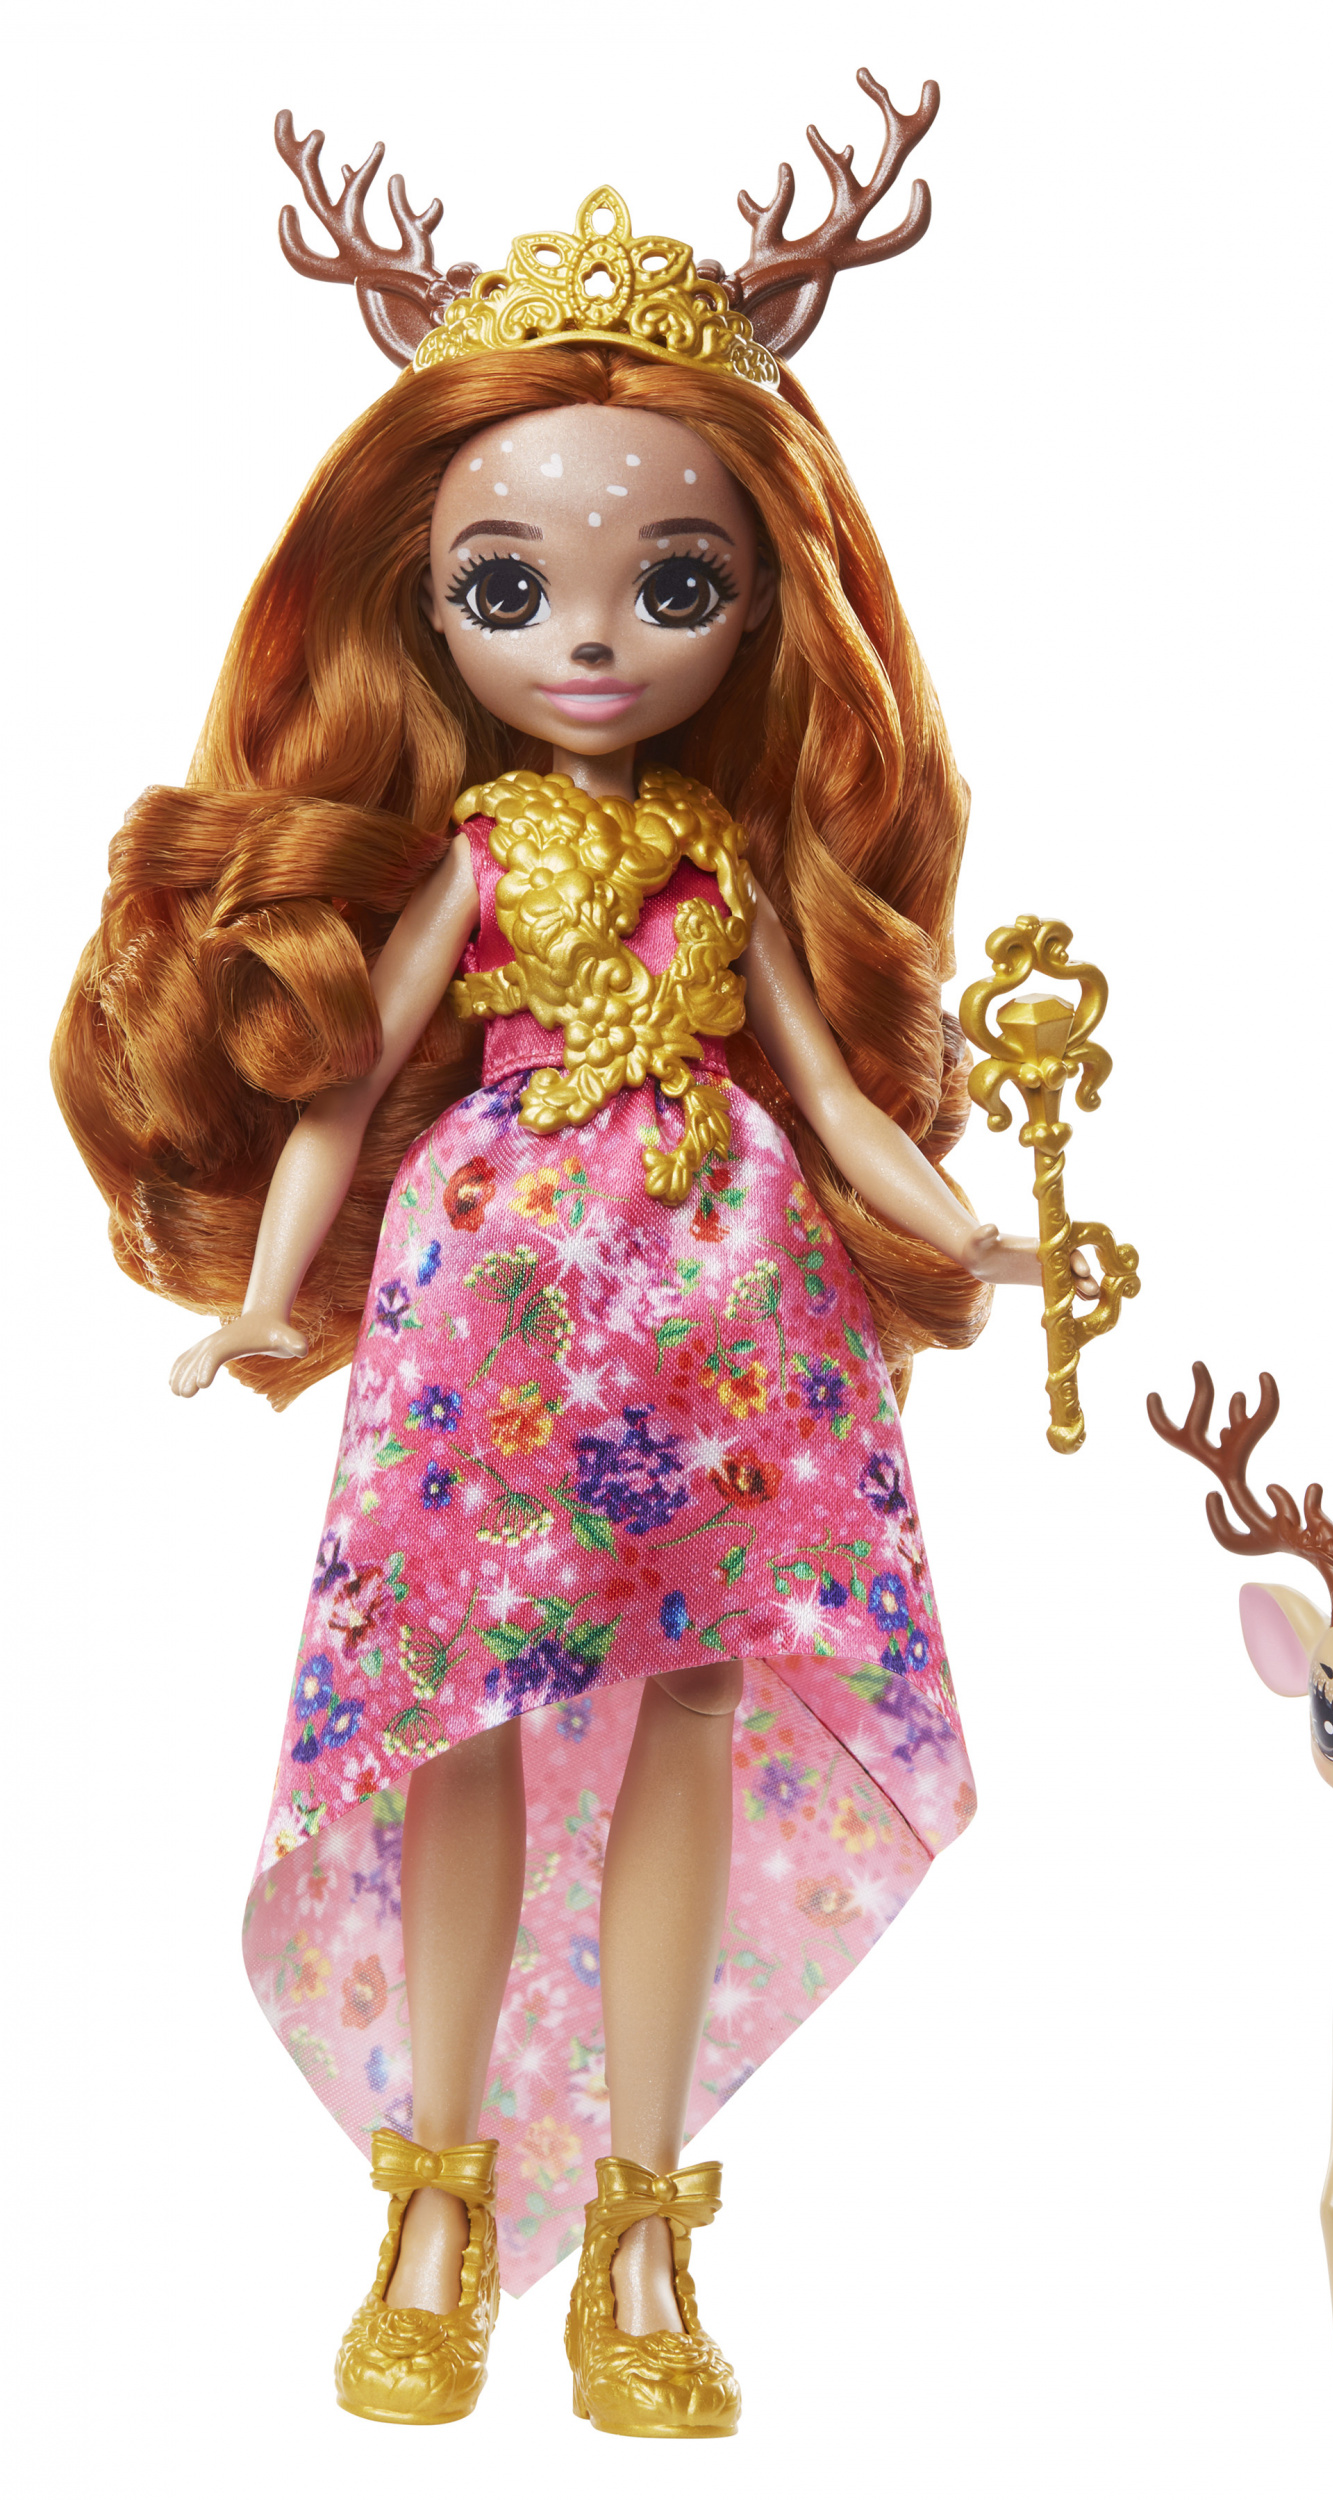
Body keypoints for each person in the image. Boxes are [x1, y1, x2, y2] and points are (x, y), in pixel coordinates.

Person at [53, 95, 1082, 2438]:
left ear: (763, 598)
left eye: (670, 581)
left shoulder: (726, 856)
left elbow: (825, 1092)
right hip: (492, 1299)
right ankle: (426, 2209)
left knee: (692, 1703)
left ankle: (640, 2220)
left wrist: (961, 1228)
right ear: (425, 605)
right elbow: (344, 1086)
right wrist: (263, 1295)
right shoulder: (480, 853)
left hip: (727, 1296)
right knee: (460, 1712)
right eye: (508, 589)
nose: (595, 636)